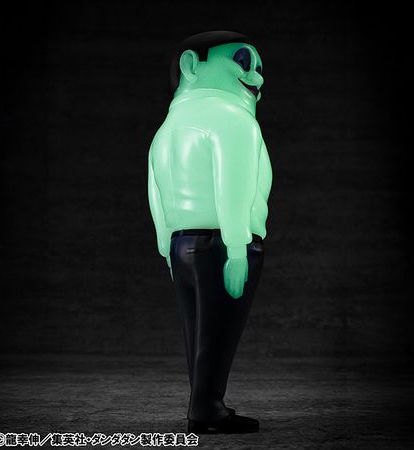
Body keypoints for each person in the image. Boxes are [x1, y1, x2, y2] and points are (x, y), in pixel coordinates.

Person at [147, 31, 273, 434]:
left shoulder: (166, 129)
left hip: (181, 244)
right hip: (225, 243)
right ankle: (207, 409)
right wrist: (237, 248)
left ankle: (202, 401)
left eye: (259, 67)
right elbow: (233, 187)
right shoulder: (233, 118)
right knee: (218, 332)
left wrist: (165, 246)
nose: (256, 77)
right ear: (191, 65)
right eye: (242, 61)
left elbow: (155, 190)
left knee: (197, 330)